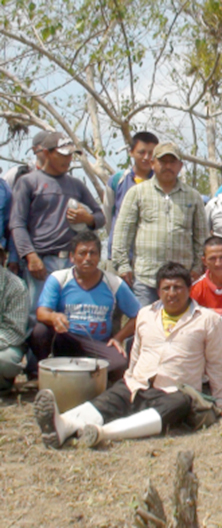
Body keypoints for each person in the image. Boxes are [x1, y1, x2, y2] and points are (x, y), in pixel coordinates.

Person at [33, 262, 222, 449]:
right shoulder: (145, 314)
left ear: (189, 290)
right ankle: (63, 425)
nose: (172, 293)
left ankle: (103, 433)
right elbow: (136, 354)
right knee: (108, 400)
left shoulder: (207, 320)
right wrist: (130, 380)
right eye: (166, 288)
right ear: (158, 292)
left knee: (177, 405)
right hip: (139, 384)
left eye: (178, 287)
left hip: (176, 390)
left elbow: (216, 364)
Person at [9, 132, 106, 313]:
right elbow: (17, 224)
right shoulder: (28, 182)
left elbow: (100, 216)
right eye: (63, 154)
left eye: (70, 154)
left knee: (71, 314)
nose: (68, 159)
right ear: (46, 153)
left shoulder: (76, 185)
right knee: (37, 315)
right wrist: (30, 256)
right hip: (41, 261)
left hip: (72, 262)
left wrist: (88, 218)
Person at [29, 231, 140, 380]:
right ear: (72, 257)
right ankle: (47, 377)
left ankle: (92, 383)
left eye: (92, 253)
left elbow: (138, 316)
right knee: (39, 332)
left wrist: (118, 338)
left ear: (99, 257)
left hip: (96, 343)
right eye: (82, 253)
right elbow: (41, 312)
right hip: (66, 339)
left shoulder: (113, 283)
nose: (88, 258)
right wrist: (54, 316)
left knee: (119, 364)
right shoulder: (59, 278)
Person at [112, 142, 209, 307]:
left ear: (180, 166)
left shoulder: (193, 196)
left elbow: (202, 237)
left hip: (181, 282)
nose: (168, 166)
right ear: (152, 163)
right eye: (163, 161)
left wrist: (197, 268)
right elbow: (122, 233)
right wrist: (122, 265)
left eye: (173, 162)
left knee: (180, 329)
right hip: (146, 279)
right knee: (146, 327)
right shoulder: (137, 193)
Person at [102, 131, 159, 262]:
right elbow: (108, 216)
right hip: (120, 255)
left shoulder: (162, 183)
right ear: (131, 152)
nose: (146, 157)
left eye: (151, 153)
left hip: (150, 257)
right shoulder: (117, 180)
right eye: (141, 152)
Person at [0, 247, 29, 392]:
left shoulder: (16, 286)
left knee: (5, 360)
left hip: (5, 343)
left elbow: (14, 331)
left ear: (3, 259)